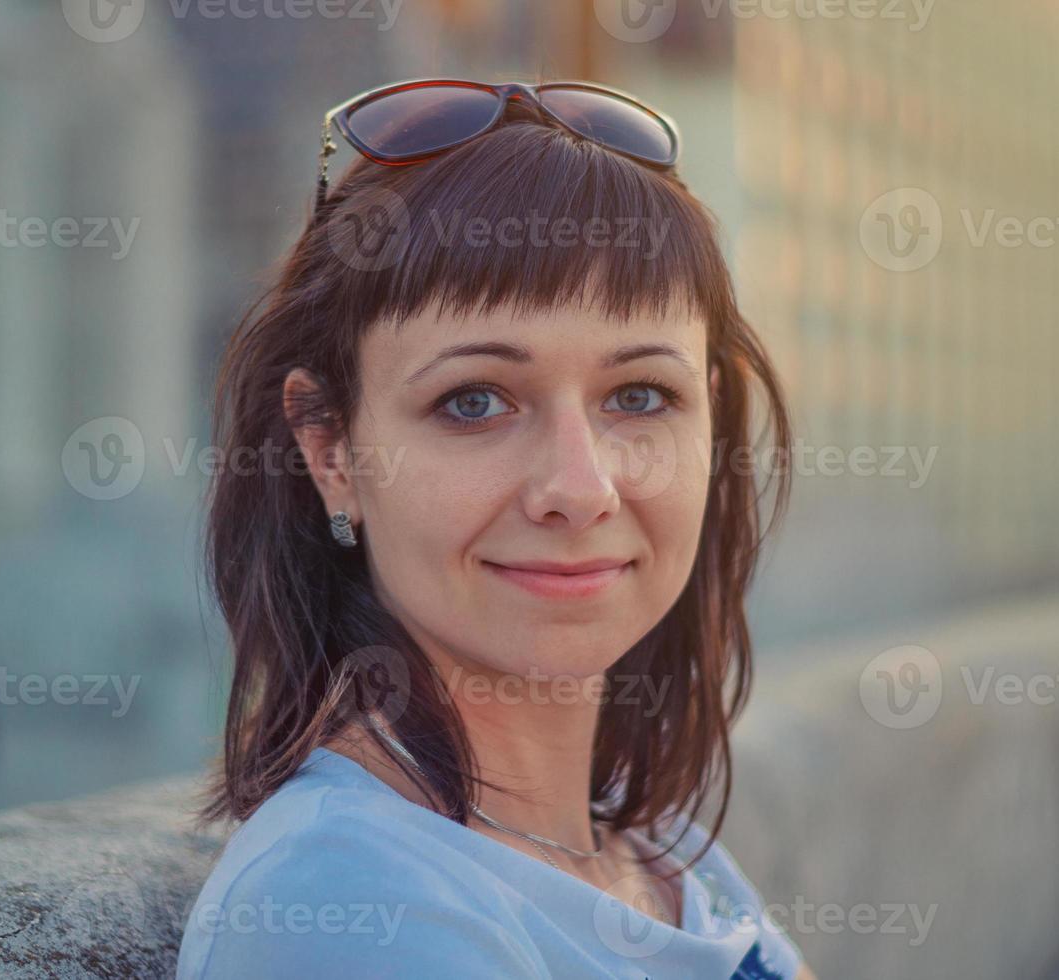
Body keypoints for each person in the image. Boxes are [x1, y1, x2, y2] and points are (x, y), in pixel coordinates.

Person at [178, 77, 815, 979]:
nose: (580, 488)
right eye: (473, 402)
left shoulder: (660, 847)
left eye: (640, 396)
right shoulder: (346, 903)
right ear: (329, 448)